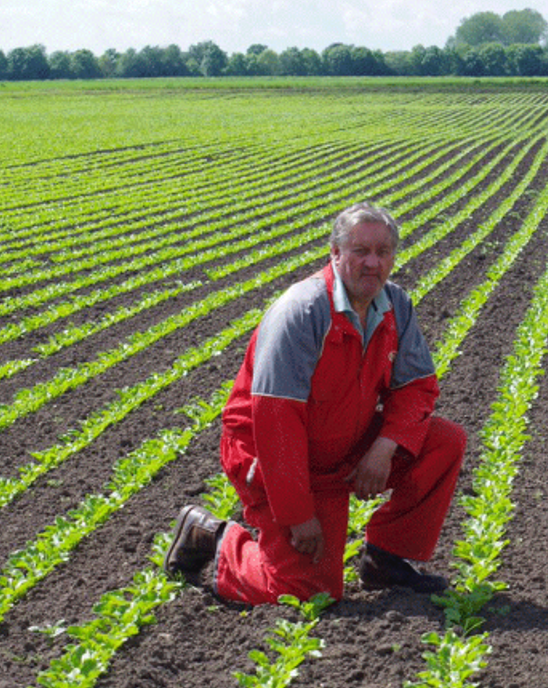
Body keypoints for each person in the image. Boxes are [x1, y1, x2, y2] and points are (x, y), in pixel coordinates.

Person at [164, 202, 466, 604]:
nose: (372, 263)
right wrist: (297, 514)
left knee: (443, 442)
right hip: (274, 457)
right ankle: (213, 537)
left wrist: (384, 446)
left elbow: (417, 388)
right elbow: (275, 422)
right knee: (306, 592)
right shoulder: (301, 313)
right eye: (360, 251)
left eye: (383, 252)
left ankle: (385, 559)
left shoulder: (395, 306)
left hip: (344, 441)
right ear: (335, 254)